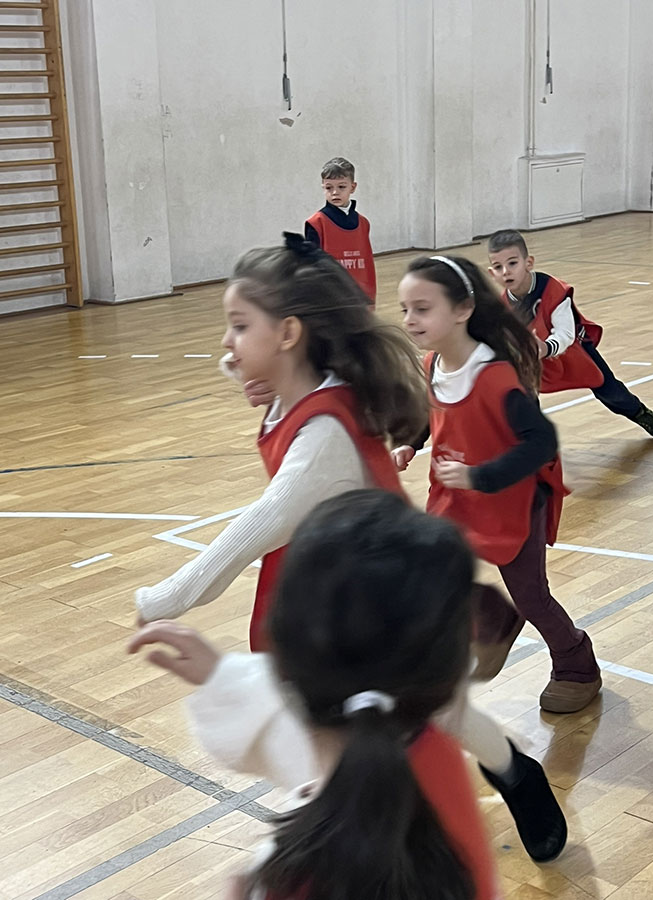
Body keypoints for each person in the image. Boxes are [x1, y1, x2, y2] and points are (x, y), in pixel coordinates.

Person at [130, 492, 568, 872]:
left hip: (382, 607)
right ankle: (514, 770)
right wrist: (222, 674)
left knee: (438, 723)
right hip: (386, 611)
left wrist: (171, 608)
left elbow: (267, 516)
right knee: (438, 725)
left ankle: (513, 771)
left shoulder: (290, 867)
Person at [134, 233, 426, 650]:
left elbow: (255, 528)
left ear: (288, 333)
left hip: (363, 608)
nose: (226, 341)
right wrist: (247, 367)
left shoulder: (323, 437)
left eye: (240, 326)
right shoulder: (306, 387)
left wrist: (165, 599)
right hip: (330, 576)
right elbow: (249, 363)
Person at [394, 255, 603, 714]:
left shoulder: (495, 377)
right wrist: (410, 442)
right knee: (424, 566)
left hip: (513, 494)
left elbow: (541, 442)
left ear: (463, 309)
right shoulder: (432, 363)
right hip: (454, 492)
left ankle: (576, 664)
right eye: (405, 309)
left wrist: (480, 476)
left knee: (531, 596)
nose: (409, 319)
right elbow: (432, 411)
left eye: (422, 308)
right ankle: (488, 621)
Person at [487, 229, 653, 438]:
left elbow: (565, 333)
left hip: (574, 349)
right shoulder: (501, 307)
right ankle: (533, 438)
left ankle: (639, 412)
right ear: (492, 273)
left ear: (529, 263)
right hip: (536, 358)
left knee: (610, 390)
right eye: (498, 267)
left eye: (512, 263)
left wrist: (545, 347)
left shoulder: (552, 289)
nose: (506, 272)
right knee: (523, 393)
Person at [304, 157, 377, 305]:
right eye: (329, 188)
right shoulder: (316, 223)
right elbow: (311, 267)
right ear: (323, 187)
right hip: (330, 299)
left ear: (353, 187)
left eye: (341, 187)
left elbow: (367, 264)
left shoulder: (363, 223)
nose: (335, 192)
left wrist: (369, 298)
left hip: (359, 298)